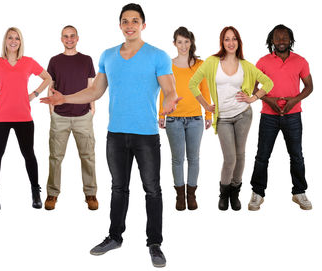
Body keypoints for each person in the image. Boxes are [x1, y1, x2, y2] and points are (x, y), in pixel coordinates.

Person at [40, 3, 180, 268]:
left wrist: (170, 102)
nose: (130, 25)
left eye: (135, 21)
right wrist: (64, 97)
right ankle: (115, 237)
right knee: (118, 188)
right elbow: (94, 92)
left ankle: (154, 243)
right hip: (115, 134)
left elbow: (170, 90)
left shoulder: (158, 55)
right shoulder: (108, 55)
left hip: (146, 134)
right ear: (120, 25)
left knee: (152, 189)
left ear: (143, 25)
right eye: (125, 21)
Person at [189, 26, 273, 211]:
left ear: (238, 42)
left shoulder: (246, 65)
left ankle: (235, 191)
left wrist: (253, 97)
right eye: (227, 39)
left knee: (240, 155)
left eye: (234, 39)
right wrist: (205, 105)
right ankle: (224, 192)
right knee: (230, 158)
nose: (231, 42)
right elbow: (193, 83)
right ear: (222, 42)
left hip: (243, 114)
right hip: (224, 118)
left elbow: (268, 82)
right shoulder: (212, 62)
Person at [0, 27, 52, 211]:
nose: (13, 41)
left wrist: (34, 93)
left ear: (20, 42)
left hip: (24, 116)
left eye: (17, 38)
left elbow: (47, 78)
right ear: (5, 41)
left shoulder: (28, 62)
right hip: (1, 117)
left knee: (28, 154)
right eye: (10, 38)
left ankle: (35, 191)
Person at [248, 24, 313, 211]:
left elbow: (309, 86)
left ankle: (299, 192)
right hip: (269, 116)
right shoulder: (263, 62)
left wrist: (295, 100)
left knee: (297, 156)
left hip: (293, 116)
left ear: (290, 40)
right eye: (277, 38)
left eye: (285, 38)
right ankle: (257, 193)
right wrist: (268, 100)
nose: (281, 41)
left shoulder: (300, 61)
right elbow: (252, 87)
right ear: (271, 41)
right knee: (262, 156)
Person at [44, 25, 98, 211]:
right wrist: (51, 110)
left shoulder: (86, 60)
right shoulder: (55, 61)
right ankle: (52, 193)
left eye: (72, 36)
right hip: (60, 117)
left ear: (77, 38)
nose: (69, 39)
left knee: (88, 156)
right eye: (66, 36)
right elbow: (50, 85)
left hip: (83, 116)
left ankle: (90, 193)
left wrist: (92, 108)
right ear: (61, 39)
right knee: (55, 157)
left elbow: (91, 86)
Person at [159, 27, 212, 211]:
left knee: (194, 158)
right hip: (174, 118)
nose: (183, 45)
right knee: (177, 159)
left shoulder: (200, 64)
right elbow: (164, 91)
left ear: (191, 42)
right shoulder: (168, 64)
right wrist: (161, 114)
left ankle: (192, 194)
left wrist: (208, 113)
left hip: (195, 118)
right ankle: (180, 196)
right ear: (174, 43)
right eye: (179, 42)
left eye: (186, 41)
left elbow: (205, 90)